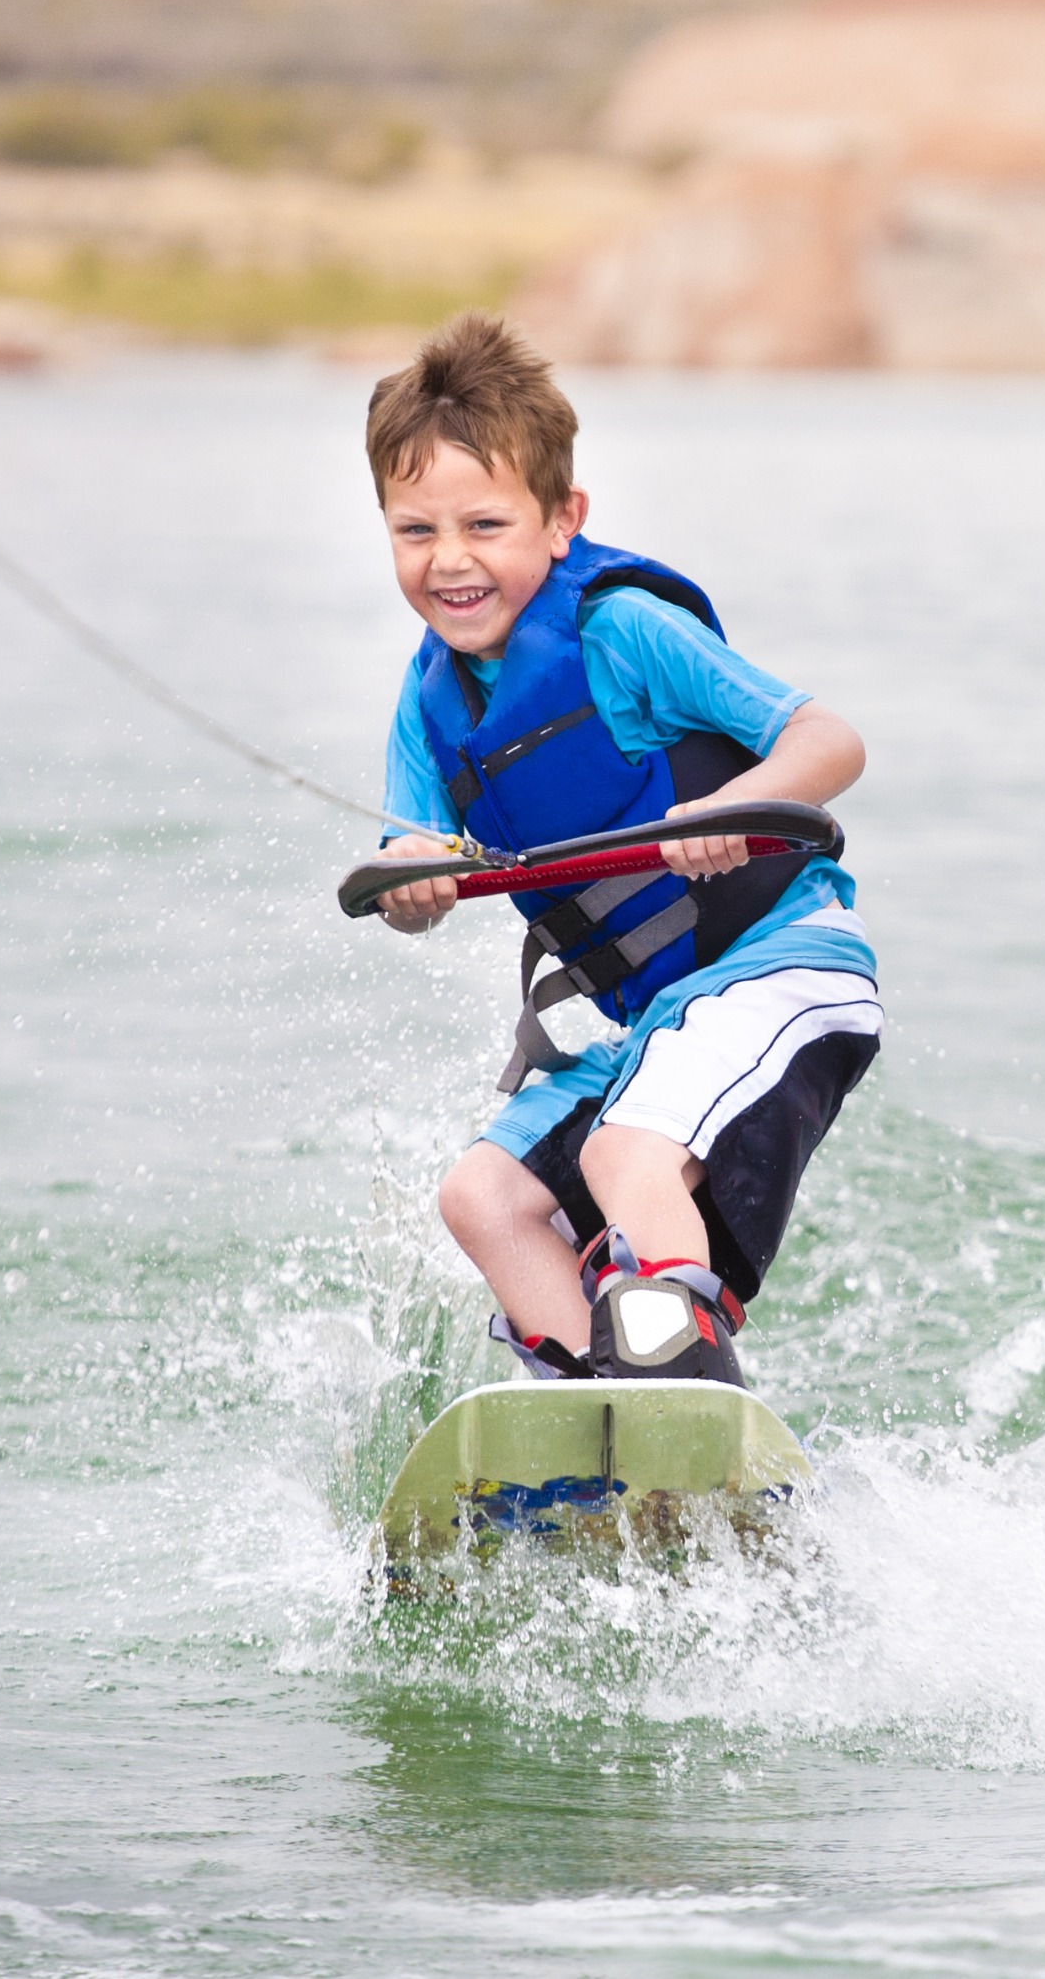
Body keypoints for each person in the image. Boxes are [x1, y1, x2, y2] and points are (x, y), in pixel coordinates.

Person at [360, 312, 878, 1387]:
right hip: (646, 1021)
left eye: (485, 525)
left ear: (562, 521)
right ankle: (598, 1411)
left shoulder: (623, 630)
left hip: (782, 967)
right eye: (416, 532)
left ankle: (684, 1394)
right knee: (482, 1196)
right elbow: (411, 844)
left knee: (621, 1152)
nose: (450, 561)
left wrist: (731, 806)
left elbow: (831, 740)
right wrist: (414, 887)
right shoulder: (429, 709)